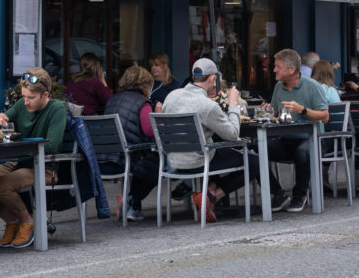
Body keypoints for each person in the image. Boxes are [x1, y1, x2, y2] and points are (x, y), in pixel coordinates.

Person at [163, 58, 290, 222]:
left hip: (172, 161)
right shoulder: (207, 105)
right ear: (213, 78)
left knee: (222, 151)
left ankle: (210, 195)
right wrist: (233, 104)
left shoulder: (171, 96)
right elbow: (233, 135)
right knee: (252, 160)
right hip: (198, 160)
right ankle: (213, 196)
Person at [0, 68, 67, 249]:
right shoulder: (23, 104)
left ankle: (27, 221)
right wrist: (1, 120)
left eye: (31, 97)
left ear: (45, 94)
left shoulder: (56, 109)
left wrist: (20, 146)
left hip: (43, 167)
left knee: (1, 186)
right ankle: (12, 220)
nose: (26, 101)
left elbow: (52, 146)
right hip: (18, 162)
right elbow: (4, 123)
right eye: (24, 96)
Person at [261, 49, 329, 212]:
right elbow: (277, 114)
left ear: (291, 70)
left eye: (278, 67)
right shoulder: (279, 86)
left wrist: (302, 110)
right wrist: (268, 111)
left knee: (303, 151)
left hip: (312, 140)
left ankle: (299, 195)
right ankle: (278, 194)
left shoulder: (312, 86)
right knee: (256, 149)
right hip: (285, 140)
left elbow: (325, 116)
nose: (274, 70)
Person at [102, 65, 162, 221]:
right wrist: (159, 115)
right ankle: (132, 201)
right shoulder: (142, 103)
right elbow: (151, 131)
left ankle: (131, 203)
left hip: (105, 157)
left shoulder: (112, 100)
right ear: (146, 85)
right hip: (126, 157)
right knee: (159, 161)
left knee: (146, 159)